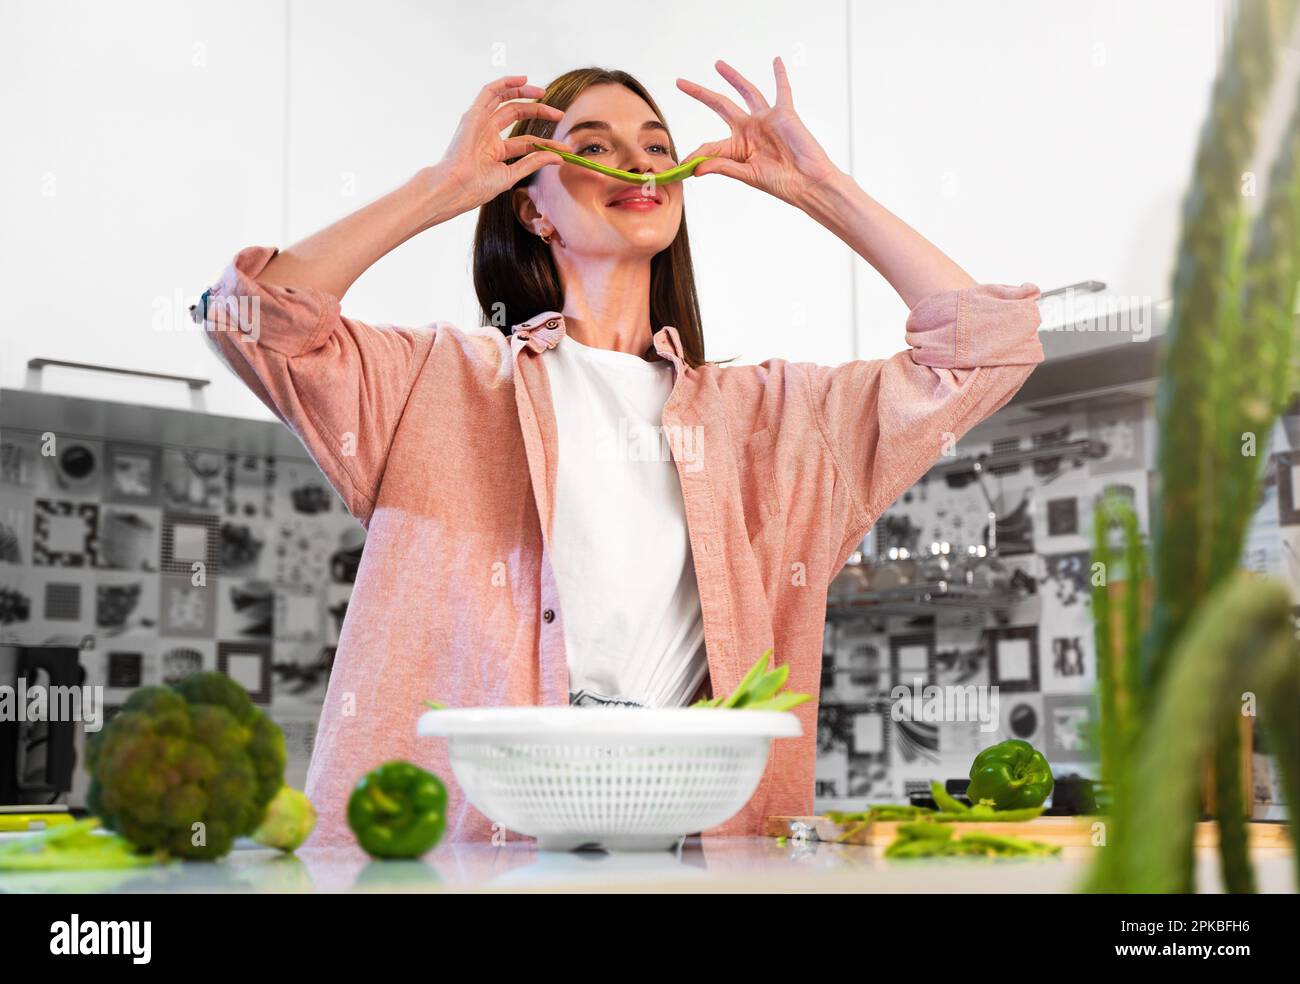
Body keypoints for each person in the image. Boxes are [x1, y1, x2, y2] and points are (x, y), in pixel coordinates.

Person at [195, 59, 1044, 847]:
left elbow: (987, 350)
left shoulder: (776, 419)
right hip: (456, 850)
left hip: (686, 853)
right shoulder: (436, 383)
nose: (636, 164)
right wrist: (440, 187)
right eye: (592, 147)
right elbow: (256, 317)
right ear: (532, 206)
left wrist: (820, 188)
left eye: (656, 147)